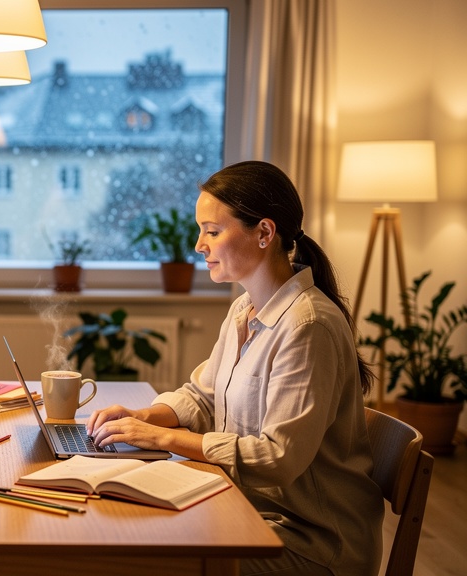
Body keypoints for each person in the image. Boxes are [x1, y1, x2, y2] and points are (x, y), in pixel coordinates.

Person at [87, 161, 384, 575]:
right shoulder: (245, 310)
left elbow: (278, 457)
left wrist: (162, 438)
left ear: (264, 233)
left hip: (312, 543)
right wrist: (142, 417)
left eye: (212, 231)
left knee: (146, 558)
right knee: (126, 530)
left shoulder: (308, 326)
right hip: (250, 511)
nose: (198, 245)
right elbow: (203, 397)